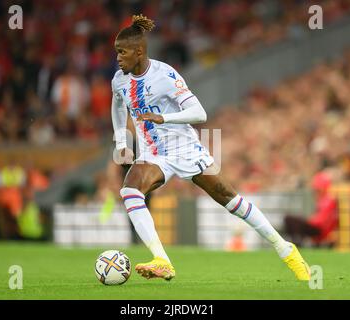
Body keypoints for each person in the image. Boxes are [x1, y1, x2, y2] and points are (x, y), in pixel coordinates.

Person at [111, 14, 310, 281]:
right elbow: (118, 103)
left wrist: (164, 117)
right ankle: (162, 260)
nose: (118, 58)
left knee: (229, 199)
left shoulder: (166, 76)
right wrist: (122, 142)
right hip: (152, 153)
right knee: (130, 189)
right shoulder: (119, 80)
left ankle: (285, 249)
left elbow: (199, 113)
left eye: (122, 52)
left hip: (184, 149)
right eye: (116, 53)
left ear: (139, 51)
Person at [284, 172, 338, 247]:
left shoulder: (328, 200)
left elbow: (322, 220)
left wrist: (310, 221)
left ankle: (296, 243)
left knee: (289, 219)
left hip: (319, 229)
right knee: (291, 219)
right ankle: (295, 242)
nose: (316, 191)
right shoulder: (323, 199)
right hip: (317, 226)